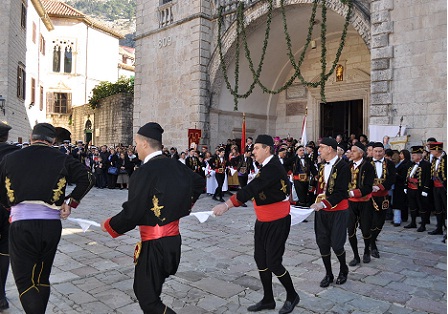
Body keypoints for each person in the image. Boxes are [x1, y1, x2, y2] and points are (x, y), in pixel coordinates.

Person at [101, 122, 204, 314]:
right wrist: (184, 206)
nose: (136, 148)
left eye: (137, 144)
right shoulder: (176, 165)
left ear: (145, 144)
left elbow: (133, 213)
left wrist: (110, 225)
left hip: (155, 245)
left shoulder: (143, 173)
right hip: (173, 241)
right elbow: (198, 182)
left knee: (148, 299)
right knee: (146, 292)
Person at [0, 123, 94, 314]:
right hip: (51, 225)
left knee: (25, 281)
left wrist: (10, 206)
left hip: (22, 226)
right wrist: (71, 202)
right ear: (53, 141)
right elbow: (89, 178)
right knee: (42, 278)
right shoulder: (62, 158)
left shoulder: (11, 158)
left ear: (31, 136)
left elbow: (2, 192)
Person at [213, 135, 300, 314]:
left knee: (274, 262)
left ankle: (292, 296)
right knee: (260, 259)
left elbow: (252, 188)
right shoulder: (268, 165)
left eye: (257, 148)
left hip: (277, 221)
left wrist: (227, 204)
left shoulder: (273, 167)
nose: (253, 151)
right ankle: (268, 299)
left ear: (267, 148)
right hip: (263, 220)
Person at [310, 137, 350, 288]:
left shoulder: (343, 167)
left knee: (337, 244)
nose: (318, 150)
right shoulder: (321, 166)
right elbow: (320, 188)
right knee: (322, 242)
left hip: (338, 210)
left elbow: (341, 192)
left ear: (330, 149)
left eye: (321, 147)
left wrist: (324, 203)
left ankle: (343, 269)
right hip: (322, 211)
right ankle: (328, 273)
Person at [0, 122, 20, 310]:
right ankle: (0, 295)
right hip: (7, 208)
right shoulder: (16, 154)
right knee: (4, 251)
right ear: (6, 136)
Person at [346, 142, 374, 267]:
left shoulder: (368, 166)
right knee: (350, 230)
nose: (351, 153)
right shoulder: (348, 166)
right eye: (351, 151)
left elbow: (368, 187)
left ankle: (367, 250)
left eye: (354, 151)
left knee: (366, 229)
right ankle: (356, 256)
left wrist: (353, 193)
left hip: (364, 202)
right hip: (351, 204)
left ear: (361, 153)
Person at [370, 142, 396, 258]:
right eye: (376, 151)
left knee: (381, 221)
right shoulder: (366, 163)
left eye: (380, 151)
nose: (378, 154)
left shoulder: (389, 164)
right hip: (370, 196)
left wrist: (380, 187)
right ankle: (372, 244)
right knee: (372, 220)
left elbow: (392, 178)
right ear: (372, 152)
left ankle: (373, 238)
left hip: (384, 195)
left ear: (384, 152)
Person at [403, 146, 431, 230]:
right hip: (410, 188)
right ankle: (413, 222)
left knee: (421, 207)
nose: (412, 156)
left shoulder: (426, 165)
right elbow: (407, 176)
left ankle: (423, 225)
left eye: (414, 155)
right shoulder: (411, 164)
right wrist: (405, 186)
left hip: (420, 189)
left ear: (419, 156)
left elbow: (427, 178)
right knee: (412, 206)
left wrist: (425, 189)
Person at [427, 142, 446, 237]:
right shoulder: (434, 159)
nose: (430, 151)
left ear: (437, 150)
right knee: (438, 208)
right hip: (435, 186)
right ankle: (439, 227)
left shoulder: (446, 159)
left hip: (444, 187)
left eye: (432, 150)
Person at [392, 149, 412, 226]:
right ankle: (401, 217)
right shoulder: (400, 163)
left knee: (400, 201)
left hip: (401, 184)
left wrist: (396, 174)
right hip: (397, 185)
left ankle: (399, 218)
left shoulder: (406, 163)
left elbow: (404, 175)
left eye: (401, 154)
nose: (400, 155)